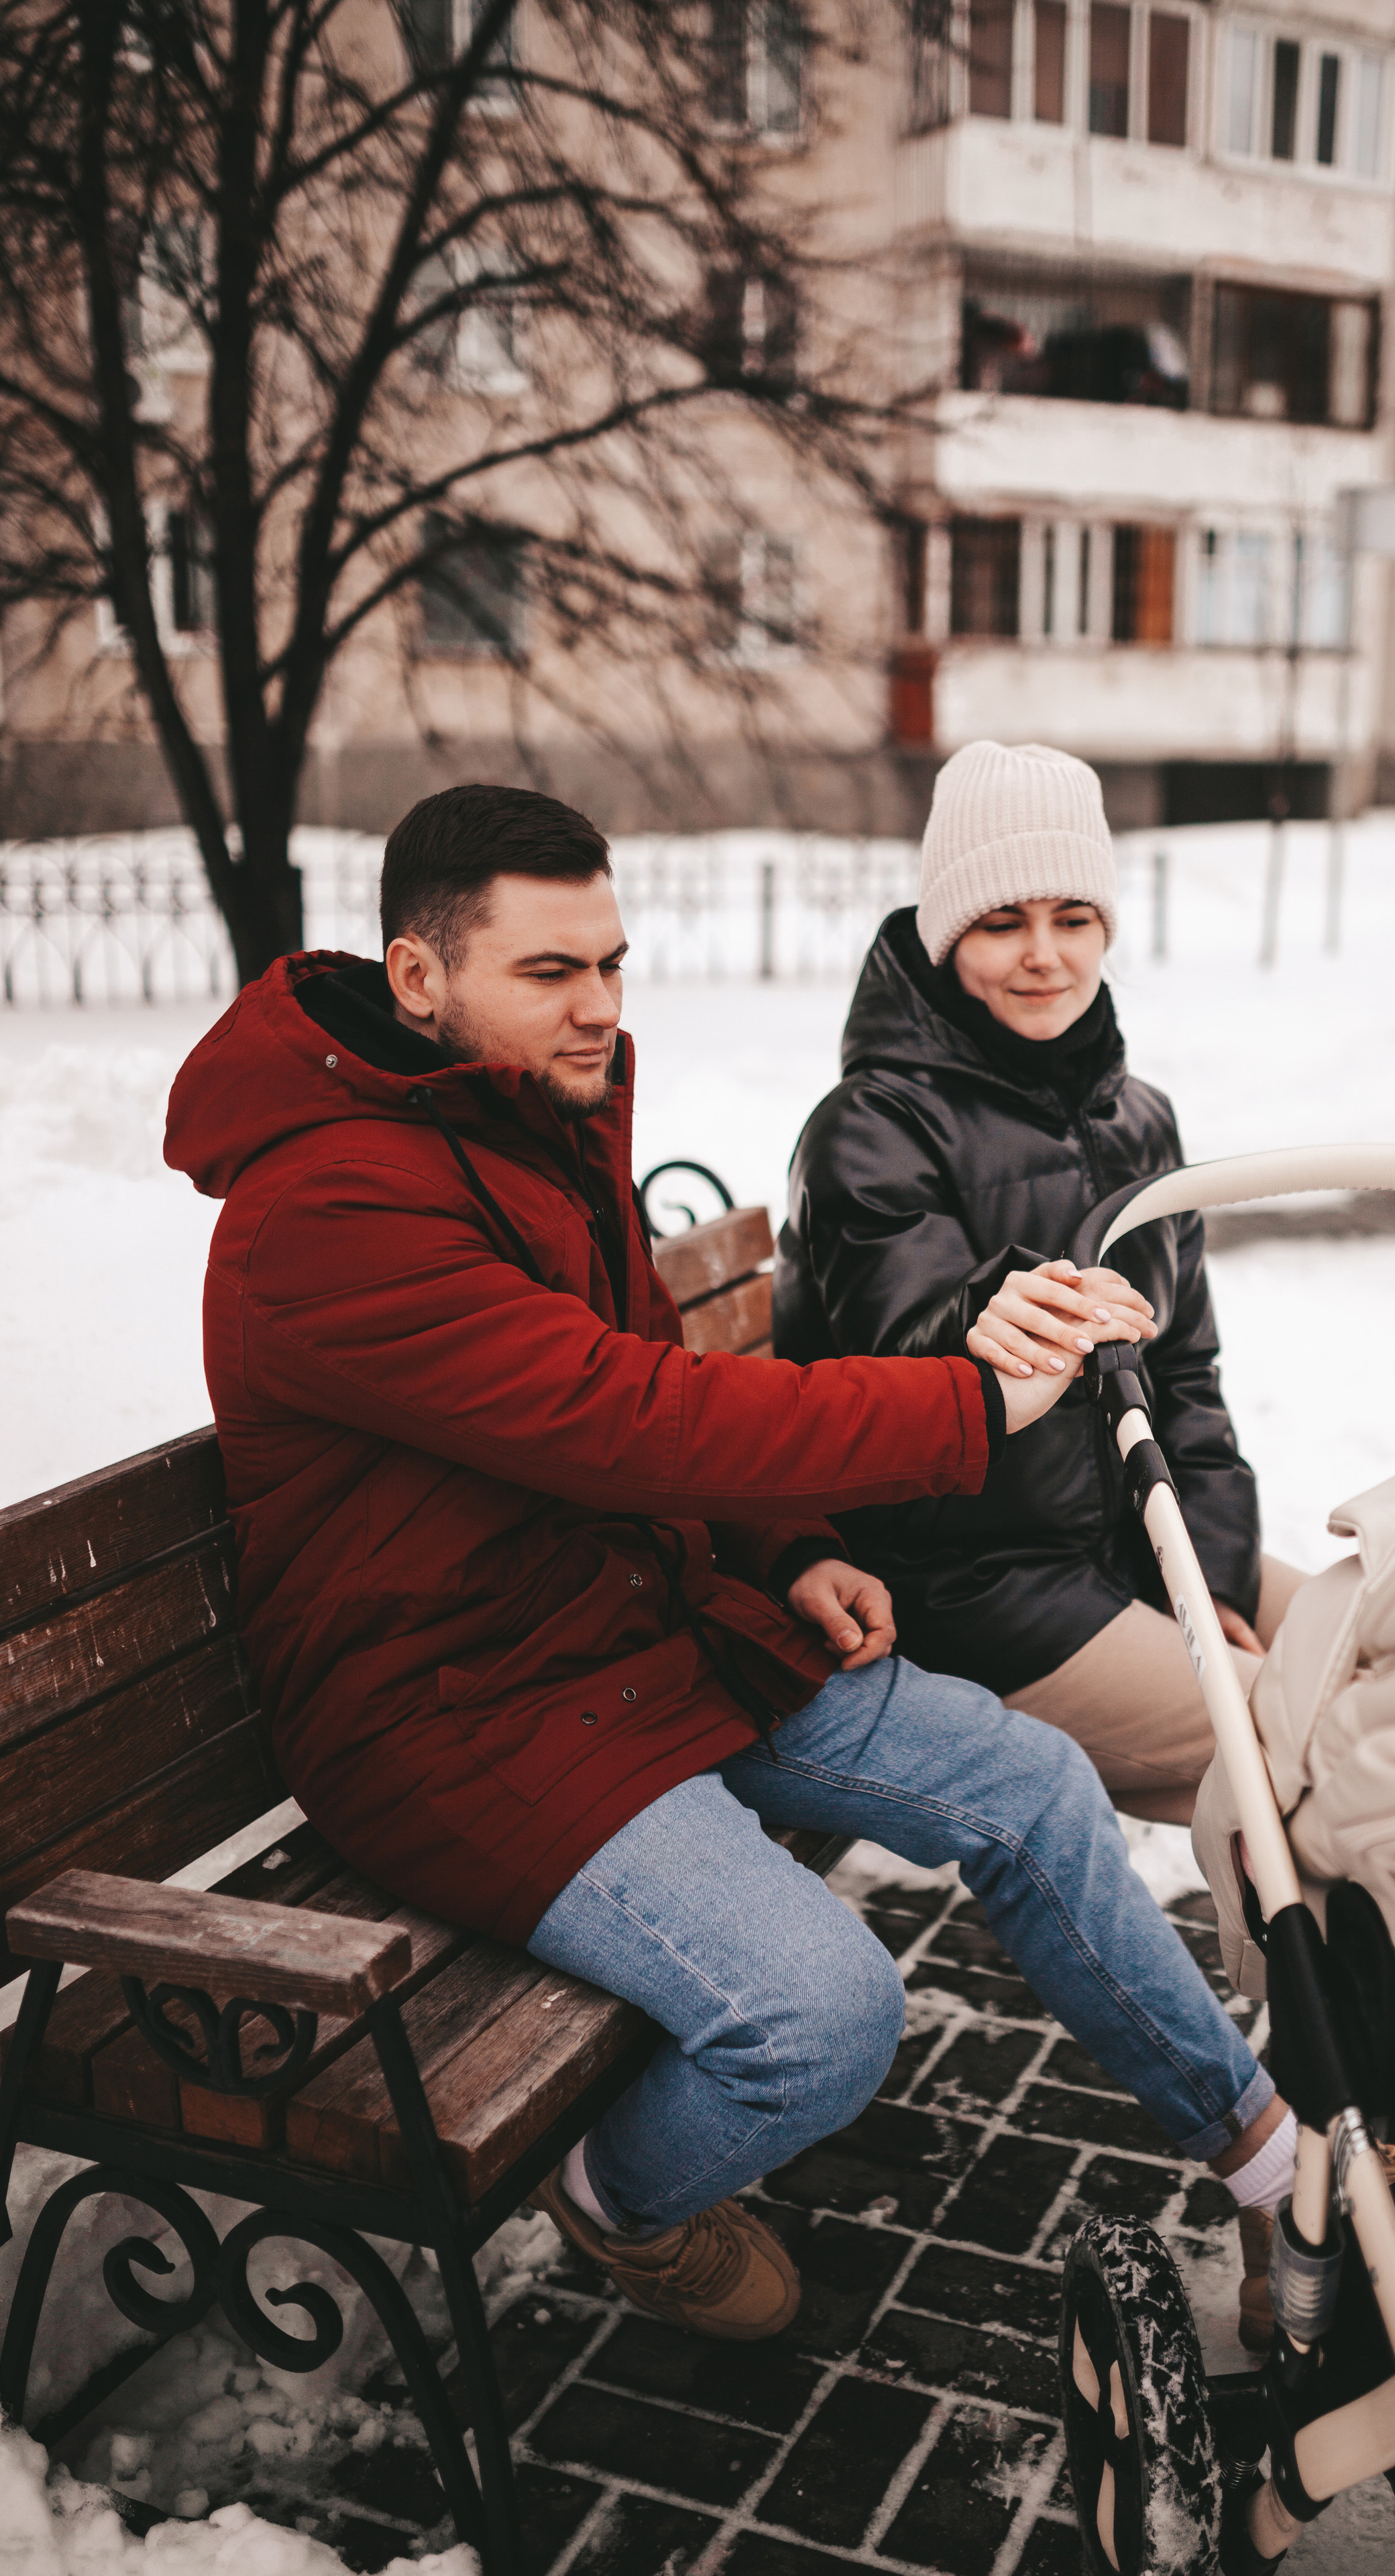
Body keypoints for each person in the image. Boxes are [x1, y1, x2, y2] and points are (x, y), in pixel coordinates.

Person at [165, 782, 1295, 2347]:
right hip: (456, 1714)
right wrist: (965, 1401)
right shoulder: (330, 1207)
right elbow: (624, 1415)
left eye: (611, 965)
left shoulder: (518, 1122)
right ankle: (616, 2198)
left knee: (1029, 1784)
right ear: (418, 979)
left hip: (647, 1636)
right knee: (819, 2017)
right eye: (550, 973)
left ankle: (1270, 2166)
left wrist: (792, 1549)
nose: (597, 1009)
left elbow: (637, 1373)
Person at [775, 739, 1306, 1829]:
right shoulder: (871, 1129)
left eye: (1074, 918)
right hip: (971, 1586)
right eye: (1002, 922)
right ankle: (1343, 1990)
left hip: (1126, 1540)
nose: (1045, 957)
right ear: (944, 932)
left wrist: (1196, 1576)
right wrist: (993, 1310)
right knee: (1325, 1741)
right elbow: (900, 1358)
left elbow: (1187, 1373)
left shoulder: (1140, 1116)